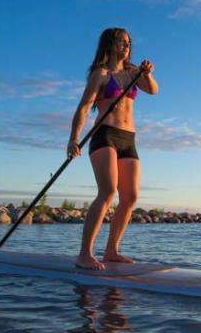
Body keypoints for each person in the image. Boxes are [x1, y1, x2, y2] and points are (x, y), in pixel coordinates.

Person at [67, 28, 158, 270]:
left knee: (130, 197)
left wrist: (146, 73)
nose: (125, 45)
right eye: (120, 41)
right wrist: (73, 139)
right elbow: (84, 107)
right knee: (107, 192)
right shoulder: (101, 74)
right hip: (104, 135)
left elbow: (153, 89)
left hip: (129, 138)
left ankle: (111, 251)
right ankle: (84, 254)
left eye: (128, 42)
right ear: (109, 44)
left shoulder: (132, 72)